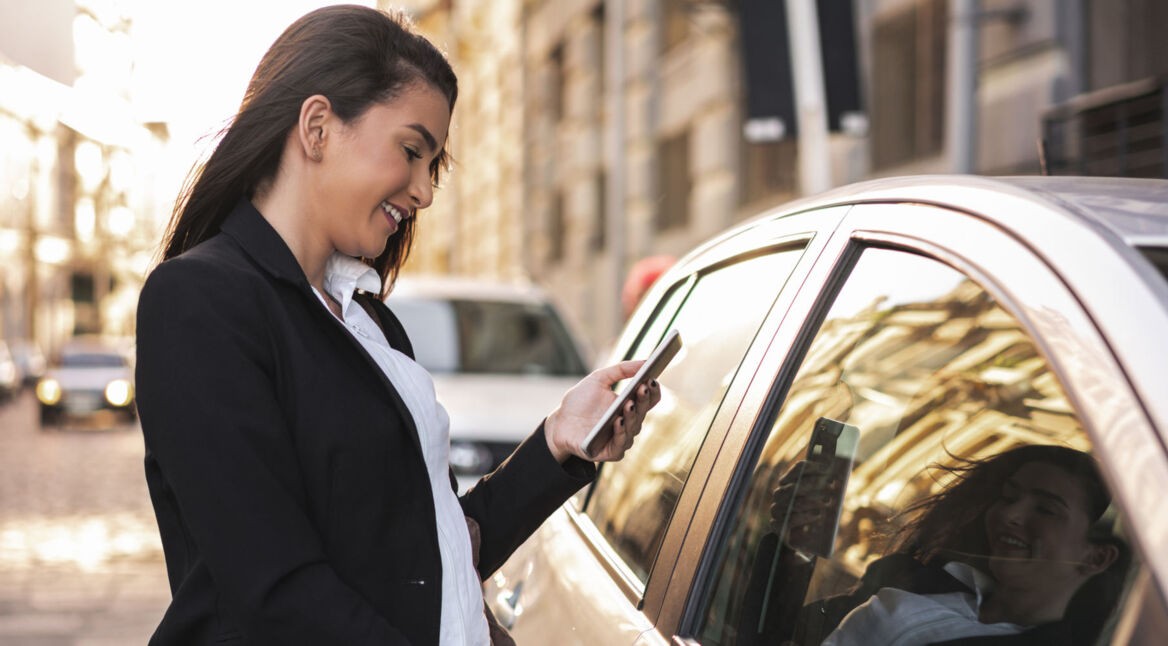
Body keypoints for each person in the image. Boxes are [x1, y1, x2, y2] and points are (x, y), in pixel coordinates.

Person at [133, 6, 660, 645]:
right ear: (318, 127)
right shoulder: (201, 301)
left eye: (431, 166)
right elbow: (276, 591)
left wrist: (558, 442)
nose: (424, 193)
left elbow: (427, 556)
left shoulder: (370, 322)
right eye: (411, 152)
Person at [774, 445, 1130, 646]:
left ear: (1097, 557)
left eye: (1046, 510)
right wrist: (797, 547)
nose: (1011, 514)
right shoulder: (918, 578)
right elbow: (789, 633)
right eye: (1008, 496)